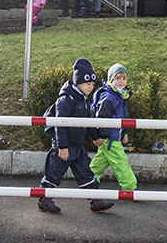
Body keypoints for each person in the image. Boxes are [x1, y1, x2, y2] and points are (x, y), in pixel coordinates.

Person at [37, 58, 114, 215]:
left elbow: (88, 122)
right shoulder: (66, 99)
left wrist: (96, 137)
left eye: (93, 85)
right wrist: (62, 147)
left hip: (78, 147)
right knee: (53, 174)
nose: (91, 87)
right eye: (88, 84)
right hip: (64, 147)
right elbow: (60, 124)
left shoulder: (85, 100)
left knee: (87, 174)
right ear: (78, 82)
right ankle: (44, 199)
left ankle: (95, 201)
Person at [90, 64, 138, 192]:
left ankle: (89, 179)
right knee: (120, 162)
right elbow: (101, 118)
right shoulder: (109, 96)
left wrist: (124, 134)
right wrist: (100, 136)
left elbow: (121, 118)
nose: (121, 81)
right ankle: (130, 188)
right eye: (118, 78)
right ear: (111, 79)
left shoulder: (120, 95)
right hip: (109, 137)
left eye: (124, 78)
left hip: (113, 136)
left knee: (101, 161)